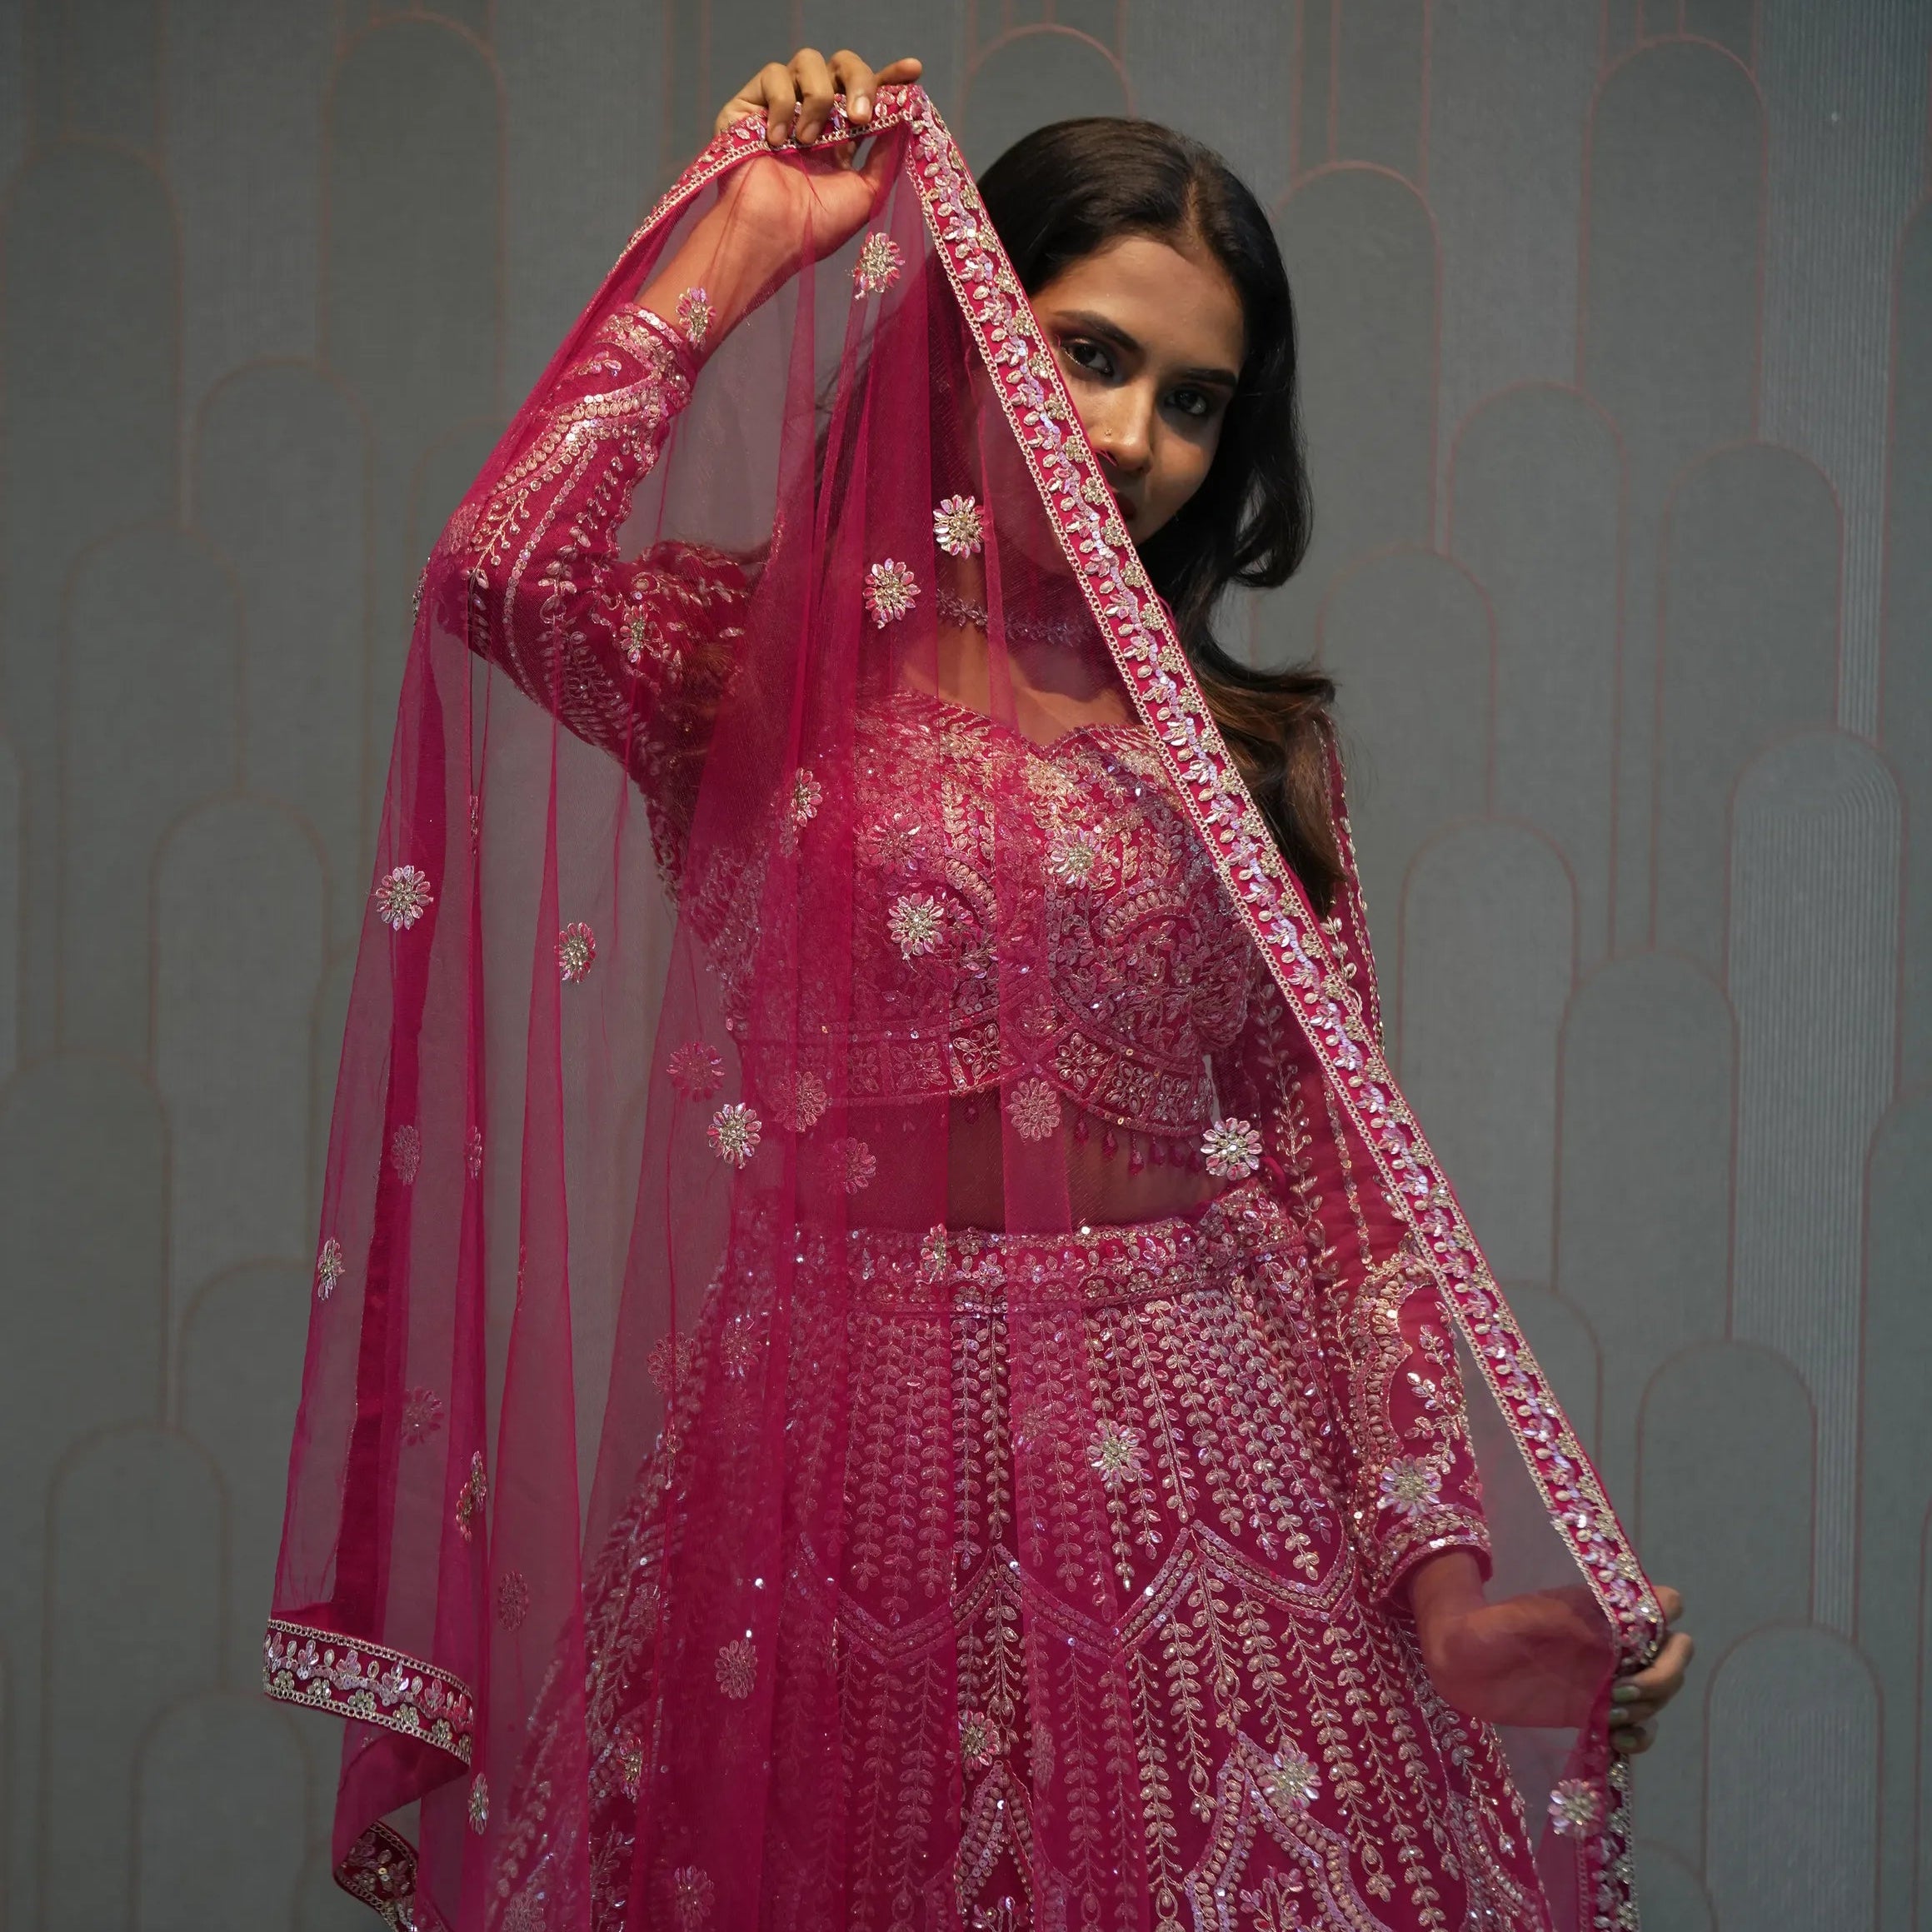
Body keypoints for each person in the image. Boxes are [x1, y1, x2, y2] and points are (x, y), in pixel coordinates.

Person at [265, 48, 1690, 1932]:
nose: (1131, 438)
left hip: (1195, 1475)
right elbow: (497, 569)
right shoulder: (754, 665)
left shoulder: (1246, 752)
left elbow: (1341, 1182)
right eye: (1085, 352)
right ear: (958, 337)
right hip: (818, 1472)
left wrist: (1438, 1587)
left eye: (1194, 399)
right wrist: (751, 237)